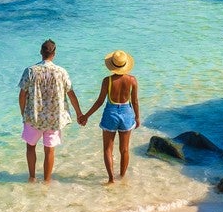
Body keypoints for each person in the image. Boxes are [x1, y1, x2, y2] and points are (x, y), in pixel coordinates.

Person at [18, 39, 83, 183]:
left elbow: (22, 95)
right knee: (49, 150)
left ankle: (32, 178)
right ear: (54, 54)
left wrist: (23, 113)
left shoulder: (30, 71)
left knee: (30, 147)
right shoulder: (61, 72)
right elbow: (71, 93)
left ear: (41, 52)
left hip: (34, 116)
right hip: (54, 118)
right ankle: (47, 181)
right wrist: (79, 113)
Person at [80, 49, 140, 184]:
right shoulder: (132, 80)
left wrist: (86, 116)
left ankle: (111, 179)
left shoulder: (107, 81)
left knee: (108, 149)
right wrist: (137, 117)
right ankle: (122, 177)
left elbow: (100, 101)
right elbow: (135, 101)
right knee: (124, 149)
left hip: (110, 114)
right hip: (127, 114)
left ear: (112, 65)